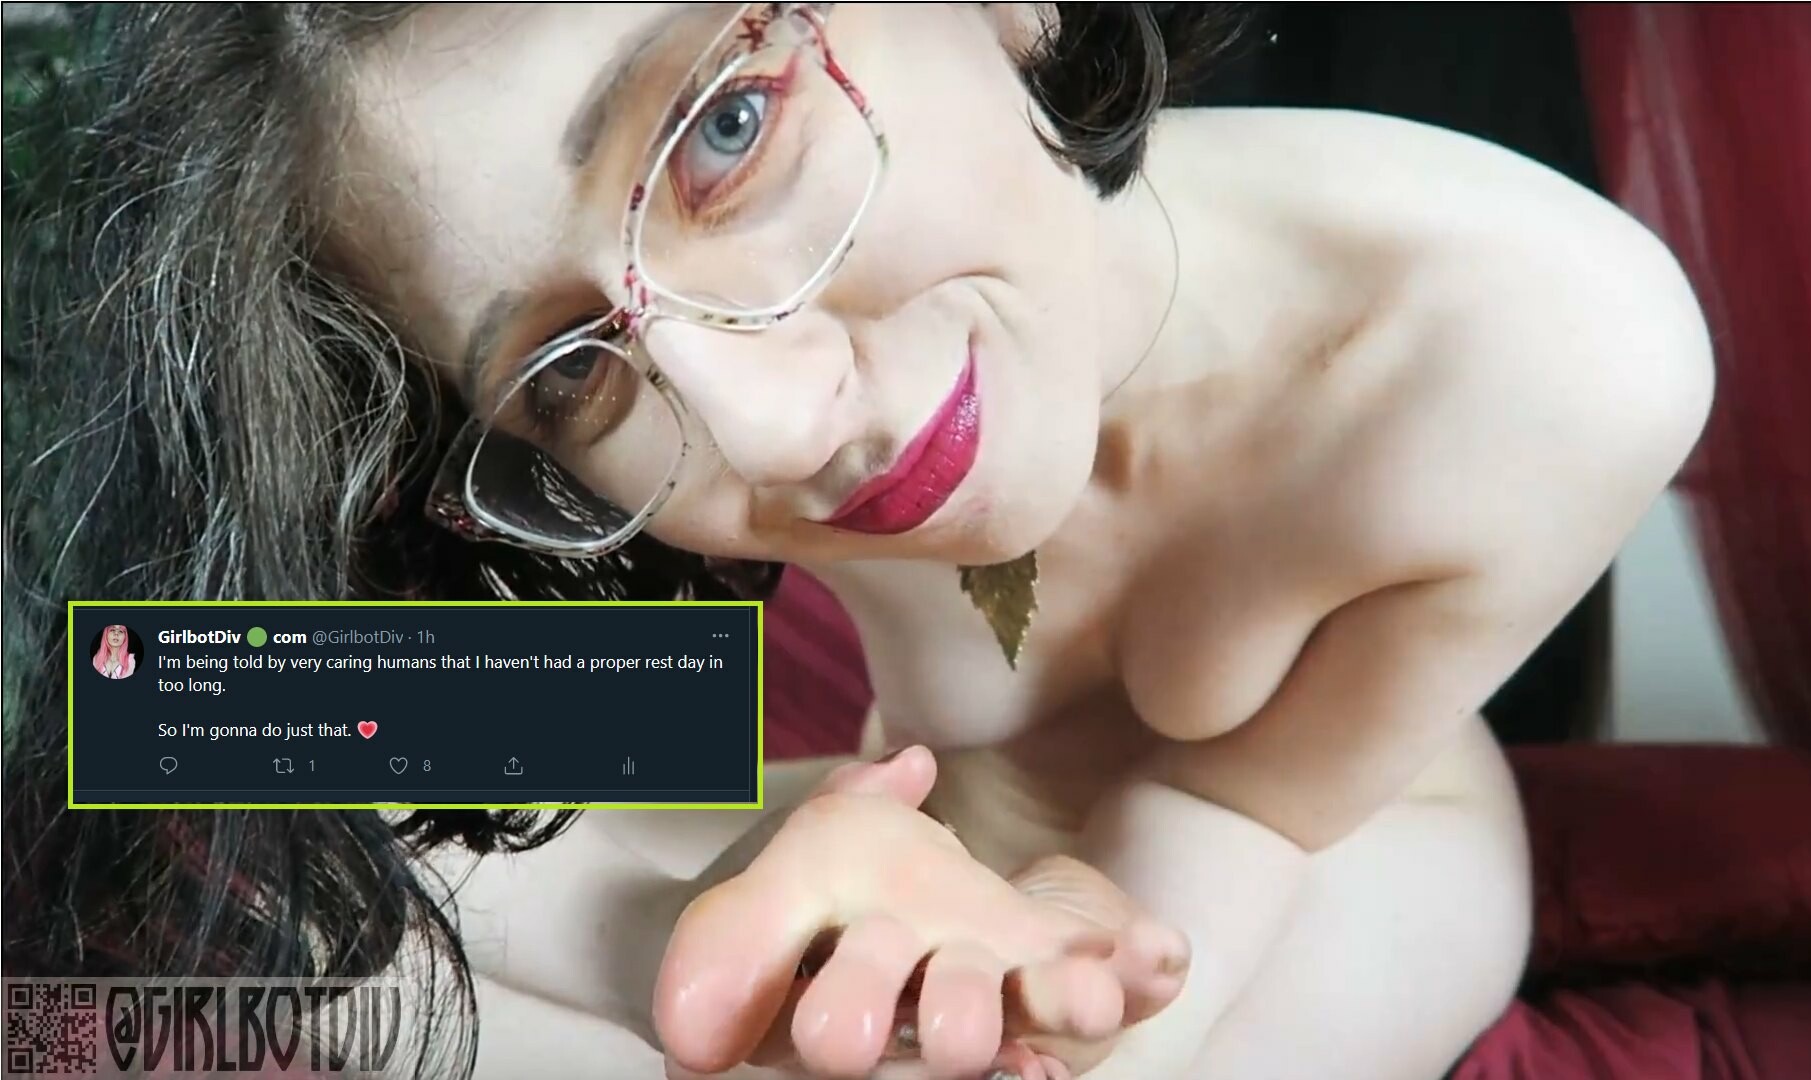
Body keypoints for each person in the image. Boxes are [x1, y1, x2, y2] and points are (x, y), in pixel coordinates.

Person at [2, 5, 1714, 1080]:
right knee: (195, 768)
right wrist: (711, 923)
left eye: (725, 131)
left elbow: (1237, 813)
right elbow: (178, 705)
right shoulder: (710, 428)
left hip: (1330, 853)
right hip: (905, 826)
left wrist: (1043, 961)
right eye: (570, 368)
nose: (761, 433)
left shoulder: (1545, 346)